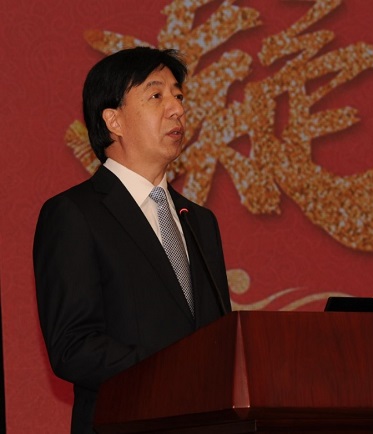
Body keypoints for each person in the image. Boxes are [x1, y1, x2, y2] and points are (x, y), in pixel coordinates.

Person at [33, 47, 232, 433]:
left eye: (179, 96)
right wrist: (178, 372)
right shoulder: (75, 214)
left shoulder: (199, 221)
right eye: (156, 95)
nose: (177, 109)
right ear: (114, 120)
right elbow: (73, 346)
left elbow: (216, 337)